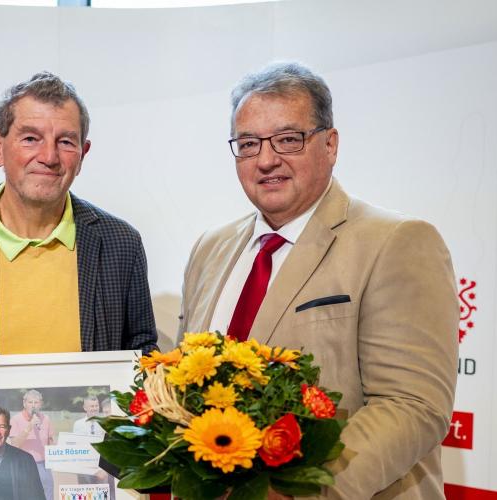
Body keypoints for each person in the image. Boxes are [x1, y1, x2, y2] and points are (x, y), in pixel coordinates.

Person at [179, 61, 458, 499]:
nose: (267, 160)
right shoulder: (209, 249)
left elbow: (413, 407)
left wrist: (296, 491)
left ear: (330, 144)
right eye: (249, 144)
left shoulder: (397, 241)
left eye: (288, 139)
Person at [0, 71, 158, 368]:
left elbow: (143, 356)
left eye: (65, 142)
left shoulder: (122, 245)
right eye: (30, 139)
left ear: (83, 154)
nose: (49, 156)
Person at [9, 389, 56, 500]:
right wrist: (30, 426)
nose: (33, 405)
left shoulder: (46, 419)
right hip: (24, 466)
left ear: (41, 404)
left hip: (44, 465)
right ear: (24, 403)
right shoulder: (15, 420)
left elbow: (51, 442)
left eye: (36, 402)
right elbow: (14, 444)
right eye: (30, 402)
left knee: (48, 493)